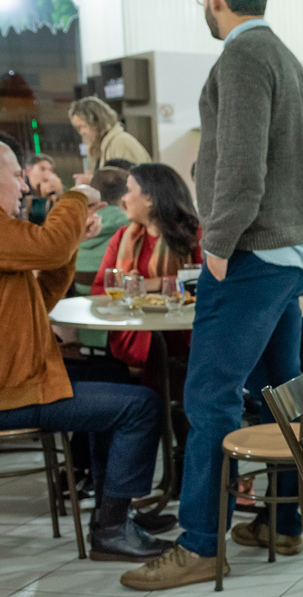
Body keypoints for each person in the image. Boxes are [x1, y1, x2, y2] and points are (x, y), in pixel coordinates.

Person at [120, 0, 303, 591]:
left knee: (210, 395)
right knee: (278, 391)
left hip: (253, 251)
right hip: (291, 248)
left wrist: (219, 243)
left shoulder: (243, 56)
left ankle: (201, 544)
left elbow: (239, 164)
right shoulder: (285, 57)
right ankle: (284, 523)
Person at [0, 141, 170, 562]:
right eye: (16, 174)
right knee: (143, 405)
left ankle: (115, 510)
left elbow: (41, 295)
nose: (23, 187)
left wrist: (71, 242)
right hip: (13, 391)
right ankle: (111, 529)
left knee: (114, 375)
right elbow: (49, 246)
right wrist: (78, 197)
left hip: (25, 377)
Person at [90, 164, 203, 369]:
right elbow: (99, 288)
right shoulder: (123, 237)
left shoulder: (195, 235)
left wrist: (153, 284)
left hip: (185, 341)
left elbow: (207, 283)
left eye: (129, 190)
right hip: (131, 340)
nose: (123, 199)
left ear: (149, 198)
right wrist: (127, 290)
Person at [69, 96, 151, 184]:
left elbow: (126, 185)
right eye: (78, 128)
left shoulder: (121, 142)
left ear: (98, 121)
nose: (82, 132)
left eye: (83, 126)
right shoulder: (99, 148)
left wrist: (91, 181)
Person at [75, 166, 130, 285]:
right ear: (125, 194)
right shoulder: (130, 221)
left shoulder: (77, 218)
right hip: (113, 287)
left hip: (76, 286)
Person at [23, 154, 62, 225]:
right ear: (28, 170)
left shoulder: (53, 190)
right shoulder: (21, 192)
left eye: (50, 170)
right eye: (42, 169)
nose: (48, 174)